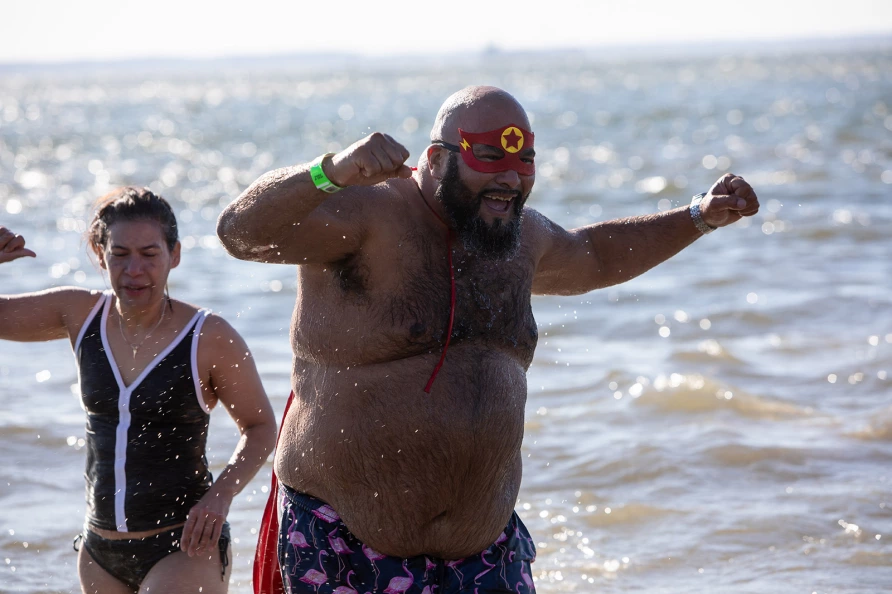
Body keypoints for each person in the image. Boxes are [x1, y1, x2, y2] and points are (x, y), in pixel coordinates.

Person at [216, 86, 760, 594]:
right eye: (489, 159)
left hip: (486, 555)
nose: (511, 179)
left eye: (525, 162)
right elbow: (241, 233)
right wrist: (330, 170)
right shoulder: (366, 217)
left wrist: (698, 217)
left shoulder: (520, 240)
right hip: (344, 544)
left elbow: (597, 256)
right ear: (435, 160)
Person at [0, 187, 277, 594]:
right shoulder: (79, 313)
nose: (134, 270)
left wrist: (220, 497)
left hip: (184, 545)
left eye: (149, 254)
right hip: (99, 551)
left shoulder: (208, 336)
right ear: (100, 254)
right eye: (120, 254)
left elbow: (260, 426)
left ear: (174, 255)